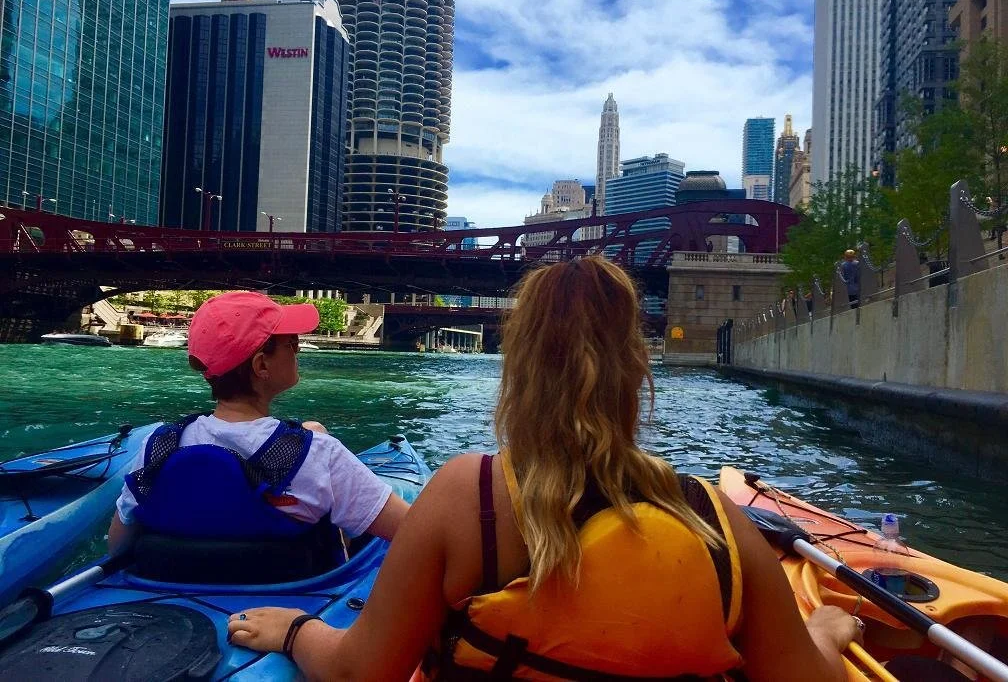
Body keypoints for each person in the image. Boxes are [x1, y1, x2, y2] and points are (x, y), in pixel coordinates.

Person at [227, 258, 861, 681]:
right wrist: (825, 632)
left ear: (518, 368)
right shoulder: (715, 520)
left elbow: (361, 672)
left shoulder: (464, 495)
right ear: (635, 367)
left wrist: (296, 631)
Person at [107, 291, 409, 566]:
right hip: (294, 607)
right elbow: (413, 532)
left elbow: (117, 546)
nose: (298, 351)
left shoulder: (158, 445)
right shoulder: (318, 454)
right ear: (261, 366)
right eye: (292, 344)